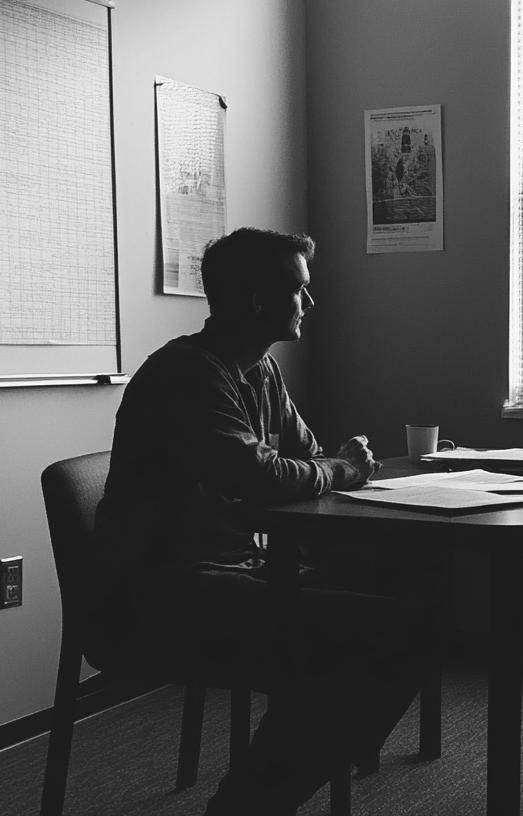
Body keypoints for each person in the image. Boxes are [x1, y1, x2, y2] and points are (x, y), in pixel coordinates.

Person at [95, 227, 432, 815]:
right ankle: (253, 801)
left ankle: (308, 751)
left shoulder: (261, 371)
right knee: (384, 635)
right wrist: (340, 470)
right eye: (299, 290)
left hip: (239, 569)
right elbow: (265, 477)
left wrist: (332, 467)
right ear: (255, 300)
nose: (311, 303)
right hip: (162, 592)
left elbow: (303, 461)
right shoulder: (189, 373)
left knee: (405, 601)